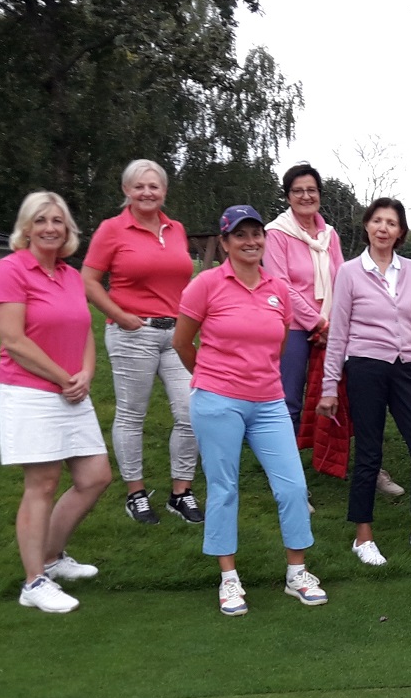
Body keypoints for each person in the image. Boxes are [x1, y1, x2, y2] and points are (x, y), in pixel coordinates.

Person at [173, 206, 328, 616]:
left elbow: (277, 345)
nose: (250, 241)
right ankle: (229, 580)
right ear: (224, 242)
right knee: (224, 490)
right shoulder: (205, 285)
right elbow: (182, 343)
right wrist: (210, 378)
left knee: (292, 487)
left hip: (268, 401)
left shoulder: (277, 288)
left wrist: (254, 377)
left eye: (256, 234)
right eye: (239, 235)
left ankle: (297, 573)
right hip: (217, 401)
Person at [0, 192, 112, 613]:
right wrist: (64, 378)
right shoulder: (9, 271)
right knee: (41, 485)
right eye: (40, 220)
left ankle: (52, 558)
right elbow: (13, 340)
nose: (50, 228)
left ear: (68, 230)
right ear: (26, 228)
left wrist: (87, 374)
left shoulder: (71, 275)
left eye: (58, 221)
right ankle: (33, 582)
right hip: (29, 391)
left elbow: (85, 331)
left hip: (71, 389)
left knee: (95, 476)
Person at [317, 198, 411, 564]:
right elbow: (339, 332)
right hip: (365, 367)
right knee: (369, 453)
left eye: (391, 223)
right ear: (366, 226)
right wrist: (330, 387)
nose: (383, 228)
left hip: (406, 368)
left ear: (400, 232)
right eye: (376, 221)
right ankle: (363, 538)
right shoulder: (348, 272)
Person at [81, 159, 202, 525]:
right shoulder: (112, 229)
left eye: (154, 186)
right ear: (126, 191)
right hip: (133, 332)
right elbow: (88, 280)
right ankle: (135, 494)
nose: (147, 192)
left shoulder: (176, 228)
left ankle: (180, 493)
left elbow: (183, 280)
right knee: (132, 415)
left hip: (176, 334)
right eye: (139, 186)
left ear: (164, 190)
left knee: (191, 412)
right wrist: (120, 316)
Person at [264, 163, 344, 434]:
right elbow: (281, 286)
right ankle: (284, 459)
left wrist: (332, 323)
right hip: (293, 326)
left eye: (312, 190)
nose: (306, 196)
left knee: (333, 392)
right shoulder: (276, 233)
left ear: (320, 194)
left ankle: (329, 452)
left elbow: (342, 280)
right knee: (290, 397)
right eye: (298, 191)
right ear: (287, 196)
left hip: (330, 325)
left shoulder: (330, 235)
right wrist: (317, 323)